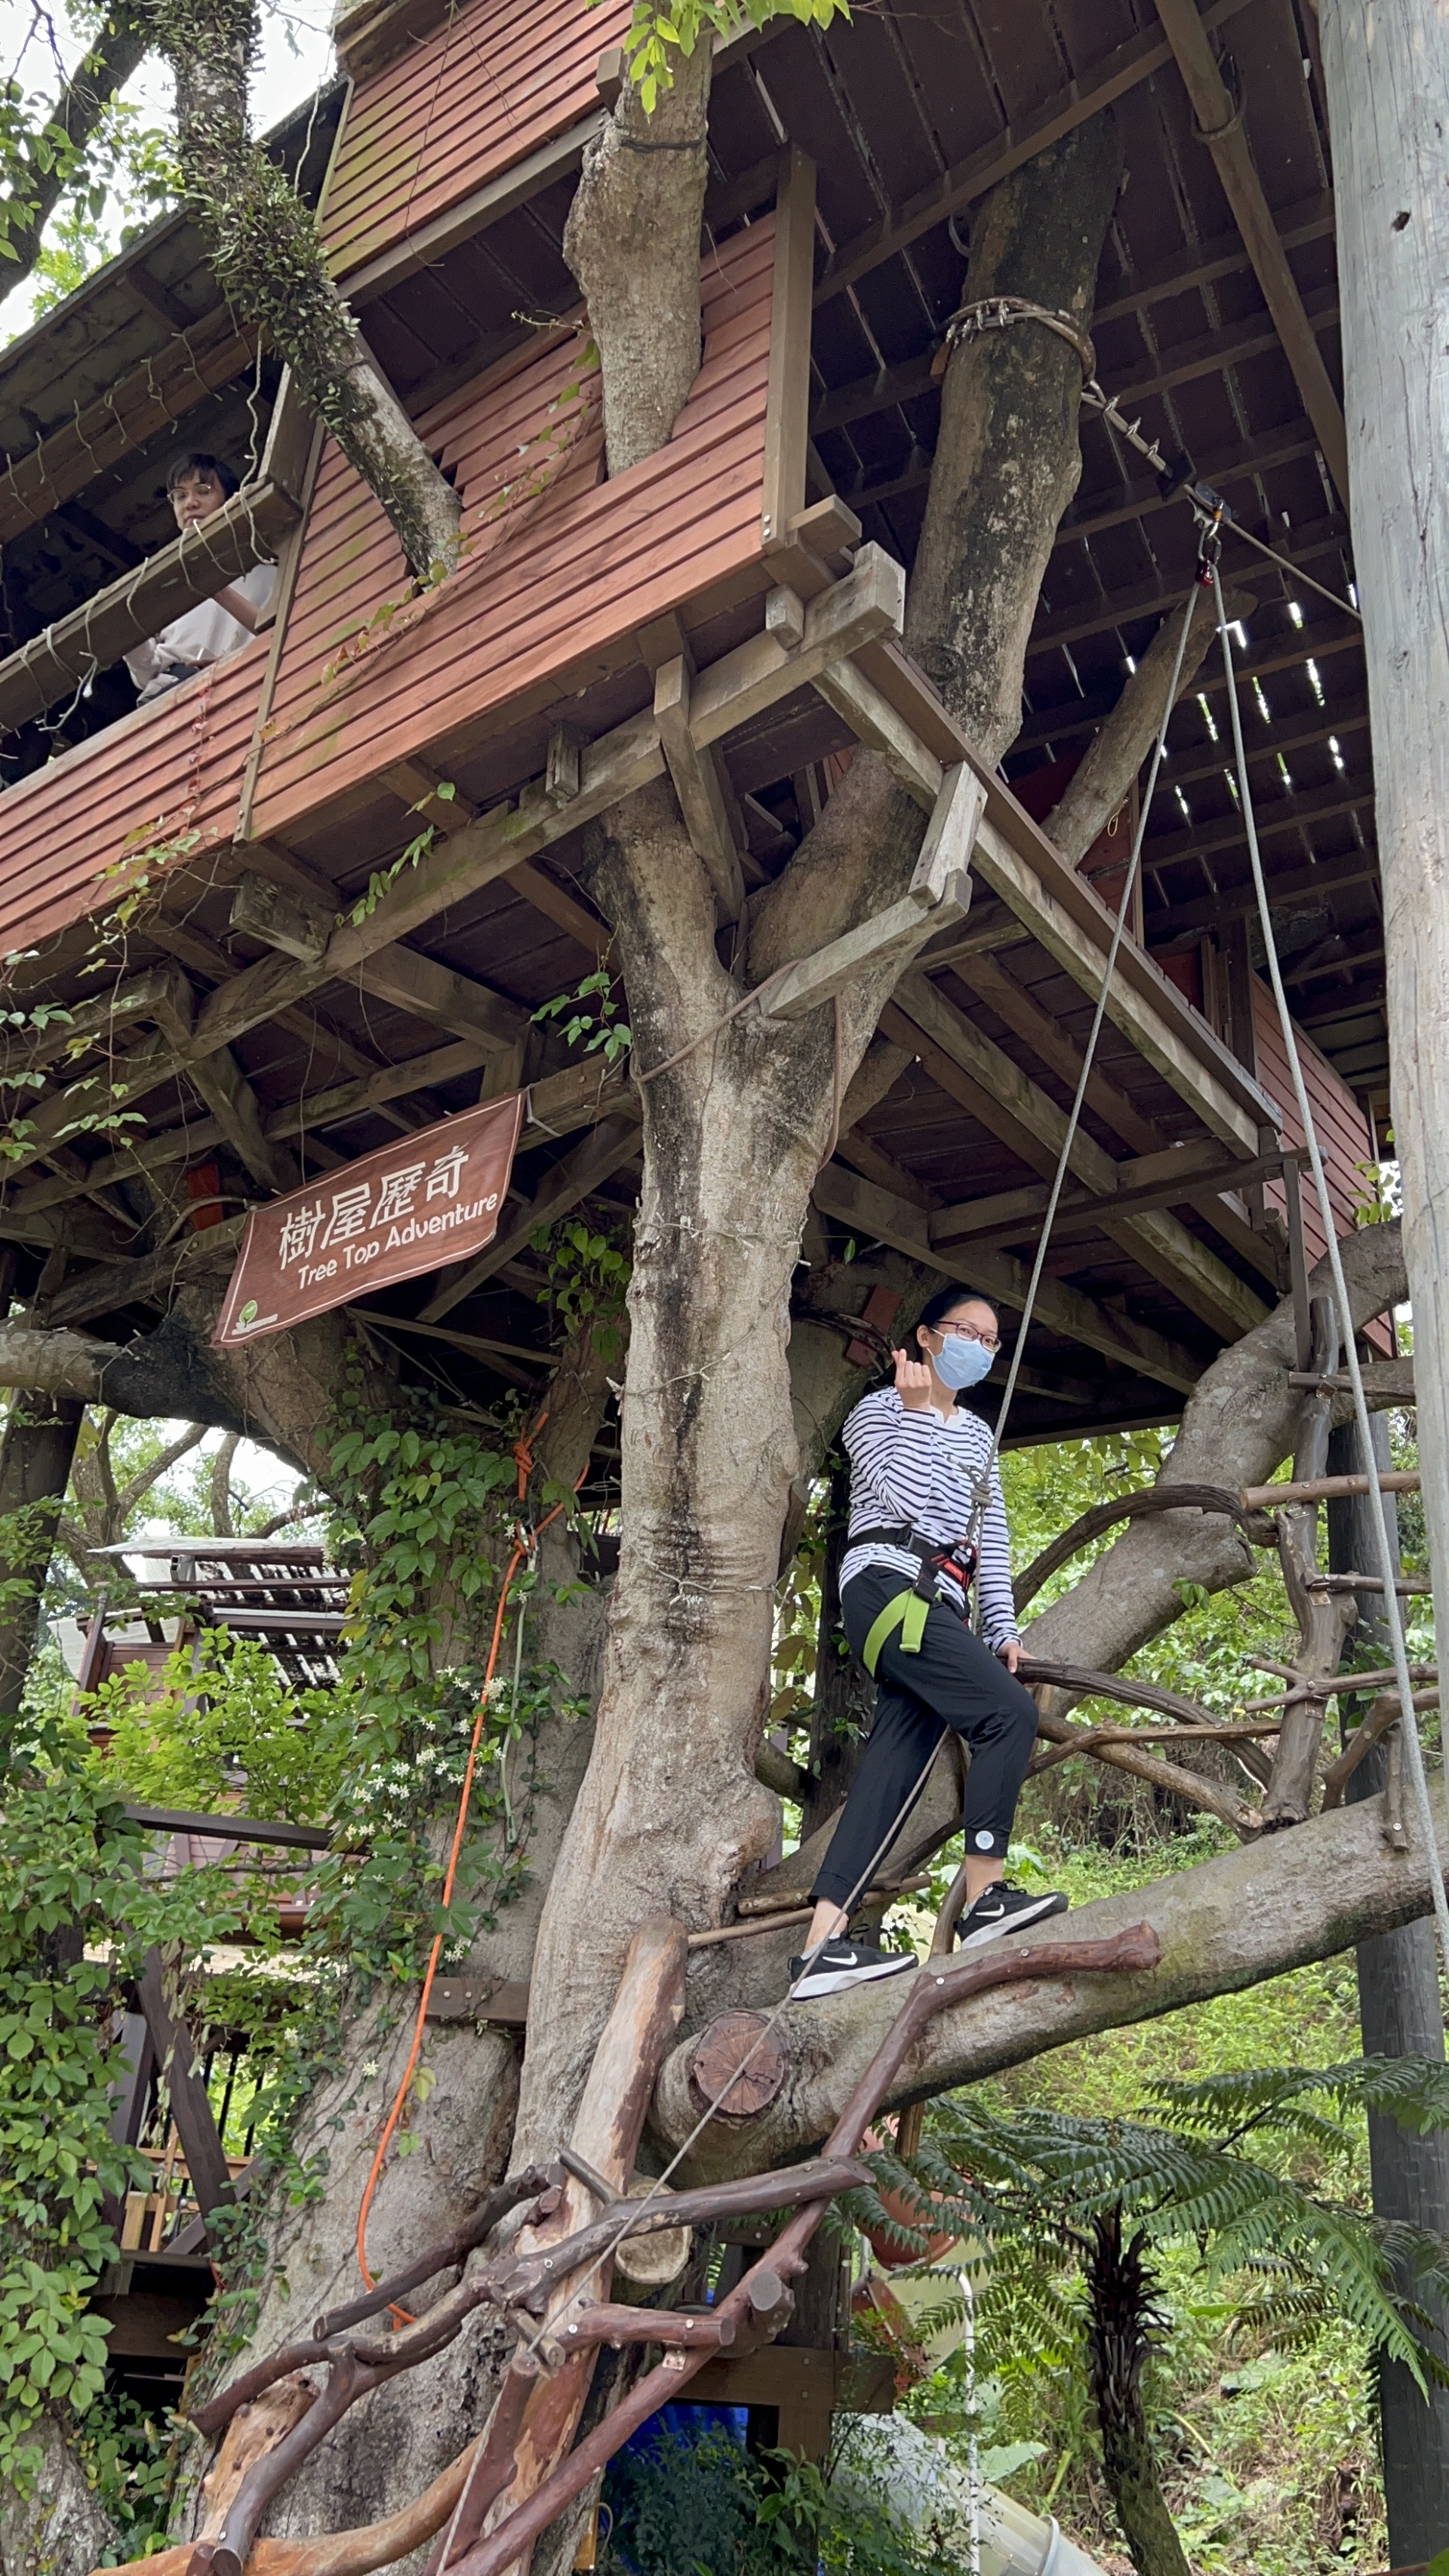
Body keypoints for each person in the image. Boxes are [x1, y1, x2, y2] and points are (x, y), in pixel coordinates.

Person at [788, 1287, 1067, 2000]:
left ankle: (820, 1944)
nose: (979, 1345)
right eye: (966, 1330)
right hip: (887, 1584)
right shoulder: (877, 1411)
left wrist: (1002, 1629)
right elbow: (905, 1501)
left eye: (991, 1339)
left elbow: (989, 1542)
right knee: (1007, 1714)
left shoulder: (978, 1436)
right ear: (927, 1336)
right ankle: (985, 1898)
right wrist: (914, 1413)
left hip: (940, 1601)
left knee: (889, 1775)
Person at [124, 454, 276, 705]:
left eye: (203, 491)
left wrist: (217, 590)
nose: (190, 503)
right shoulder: (163, 581)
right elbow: (145, 675)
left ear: (229, 499)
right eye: (180, 496)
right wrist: (127, 634)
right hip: (166, 699)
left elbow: (280, 634)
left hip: (242, 691)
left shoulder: (267, 572)